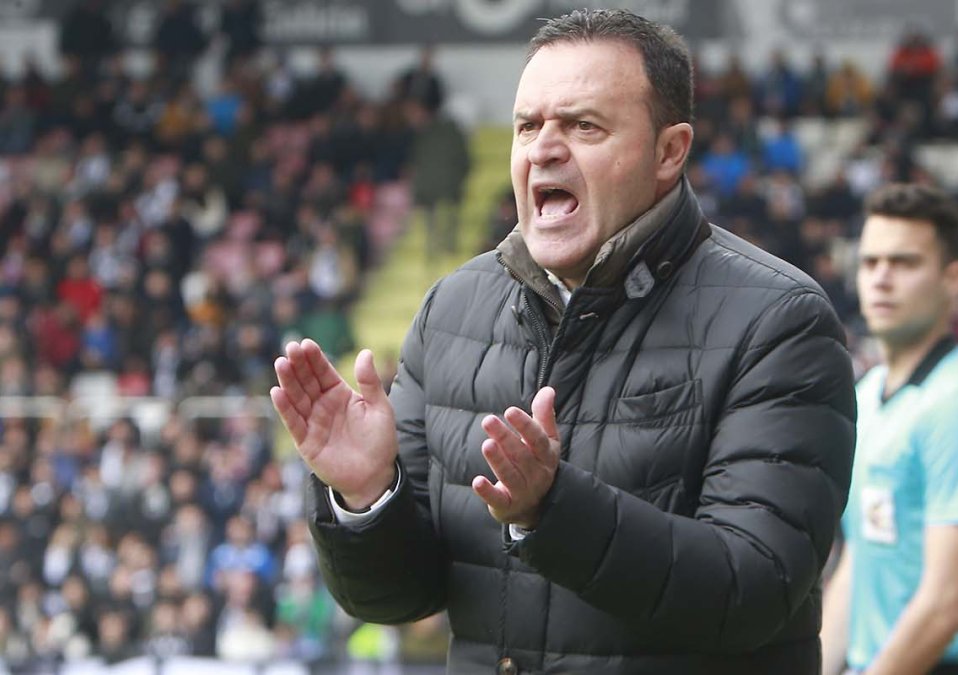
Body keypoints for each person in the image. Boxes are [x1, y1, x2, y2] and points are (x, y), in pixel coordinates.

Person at [271, 9, 856, 673]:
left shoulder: (779, 320)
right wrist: (367, 496)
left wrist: (554, 512)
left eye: (583, 125)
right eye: (528, 126)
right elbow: (398, 596)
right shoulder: (452, 309)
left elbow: (754, 589)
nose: (544, 148)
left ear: (669, 151)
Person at [821, 184, 958, 675]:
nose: (881, 279)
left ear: (953, 279)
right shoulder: (866, 396)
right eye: (870, 263)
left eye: (904, 263)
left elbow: (946, 605)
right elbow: (857, 564)